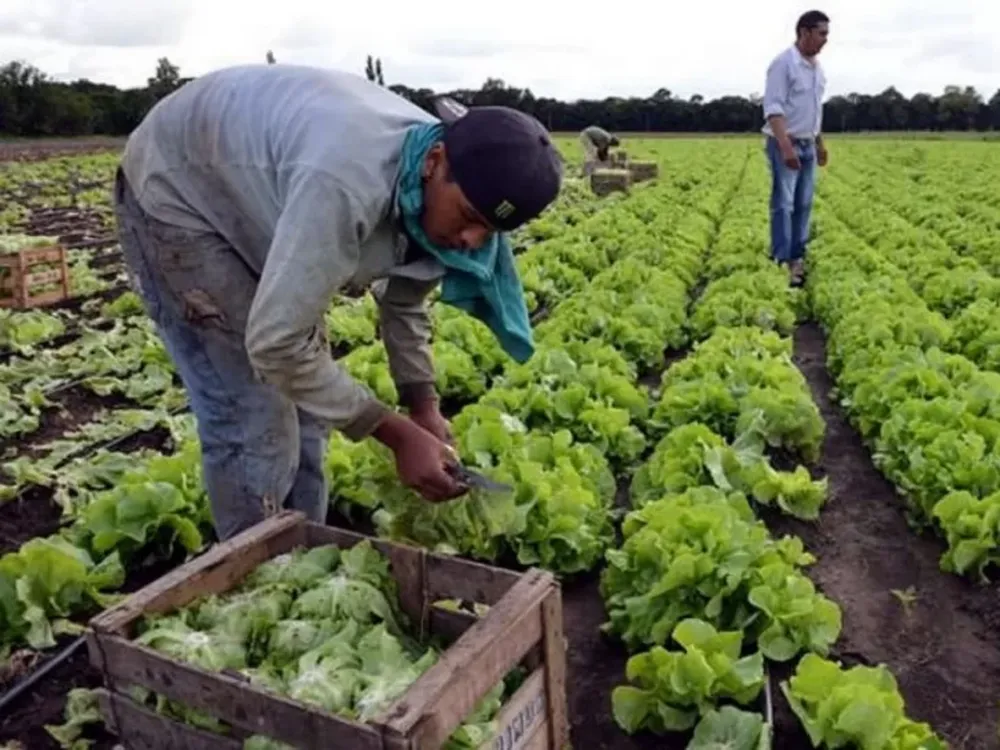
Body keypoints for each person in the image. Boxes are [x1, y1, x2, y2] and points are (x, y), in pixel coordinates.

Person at [112, 64, 562, 541]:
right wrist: (394, 433)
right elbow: (275, 346)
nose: (471, 239)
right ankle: (250, 572)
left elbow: (405, 300)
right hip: (179, 188)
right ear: (434, 162)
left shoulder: (440, 193)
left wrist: (422, 405)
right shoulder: (347, 181)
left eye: (488, 231)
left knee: (308, 410)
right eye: (469, 217)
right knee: (254, 415)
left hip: (261, 187)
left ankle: (306, 548)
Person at [761, 10, 829, 287]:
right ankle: (782, 260)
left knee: (804, 204)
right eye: (822, 33)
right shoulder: (784, 64)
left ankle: (797, 258)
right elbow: (773, 108)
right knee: (783, 204)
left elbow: (814, 110)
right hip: (784, 143)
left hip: (808, 143)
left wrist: (819, 143)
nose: (825, 40)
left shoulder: (817, 69)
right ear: (804, 32)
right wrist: (785, 147)